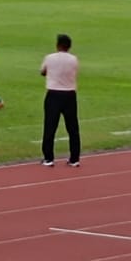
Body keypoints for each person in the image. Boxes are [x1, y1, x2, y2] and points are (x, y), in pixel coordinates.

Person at [40, 33, 81, 167]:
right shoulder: (74, 59)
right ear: (69, 46)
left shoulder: (50, 57)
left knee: (50, 127)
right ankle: (74, 159)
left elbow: (43, 72)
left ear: (58, 45)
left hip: (53, 94)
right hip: (69, 95)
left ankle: (48, 158)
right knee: (73, 128)